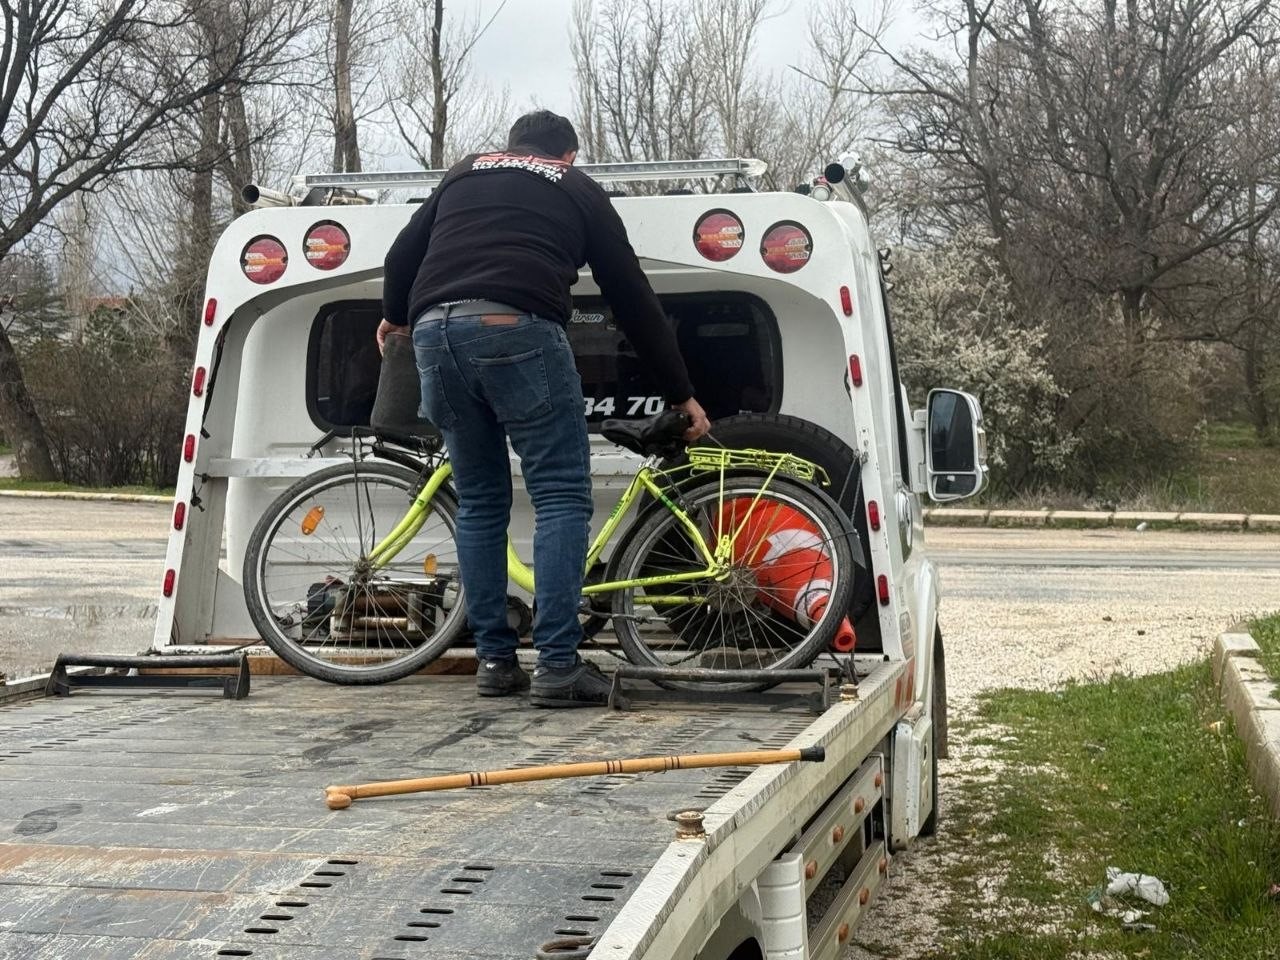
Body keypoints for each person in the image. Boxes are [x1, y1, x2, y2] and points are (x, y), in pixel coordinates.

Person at [380, 110, 710, 708]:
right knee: (559, 492)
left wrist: (396, 316)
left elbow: (401, 257)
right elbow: (630, 294)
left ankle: (495, 662)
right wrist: (679, 390)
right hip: (516, 327)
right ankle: (557, 665)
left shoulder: (464, 171)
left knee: (480, 500)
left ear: (511, 146)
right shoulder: (575, 185)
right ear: (569, 155)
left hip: (433, 334)